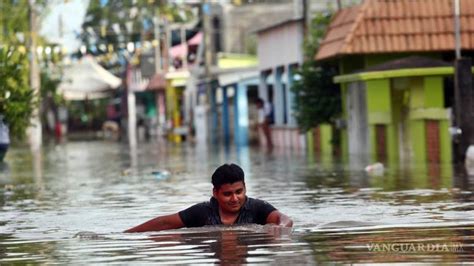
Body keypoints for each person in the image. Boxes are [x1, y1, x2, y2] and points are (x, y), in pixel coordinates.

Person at [125, 163, 292, 232]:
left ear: (245, 188)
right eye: (227, 194)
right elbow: (164, 223)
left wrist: (279, 228)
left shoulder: (257, 208)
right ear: (215, 193)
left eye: (239, 192)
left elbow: (284, 219)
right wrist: (128, 234)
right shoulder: (202, 212)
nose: (235, 198)